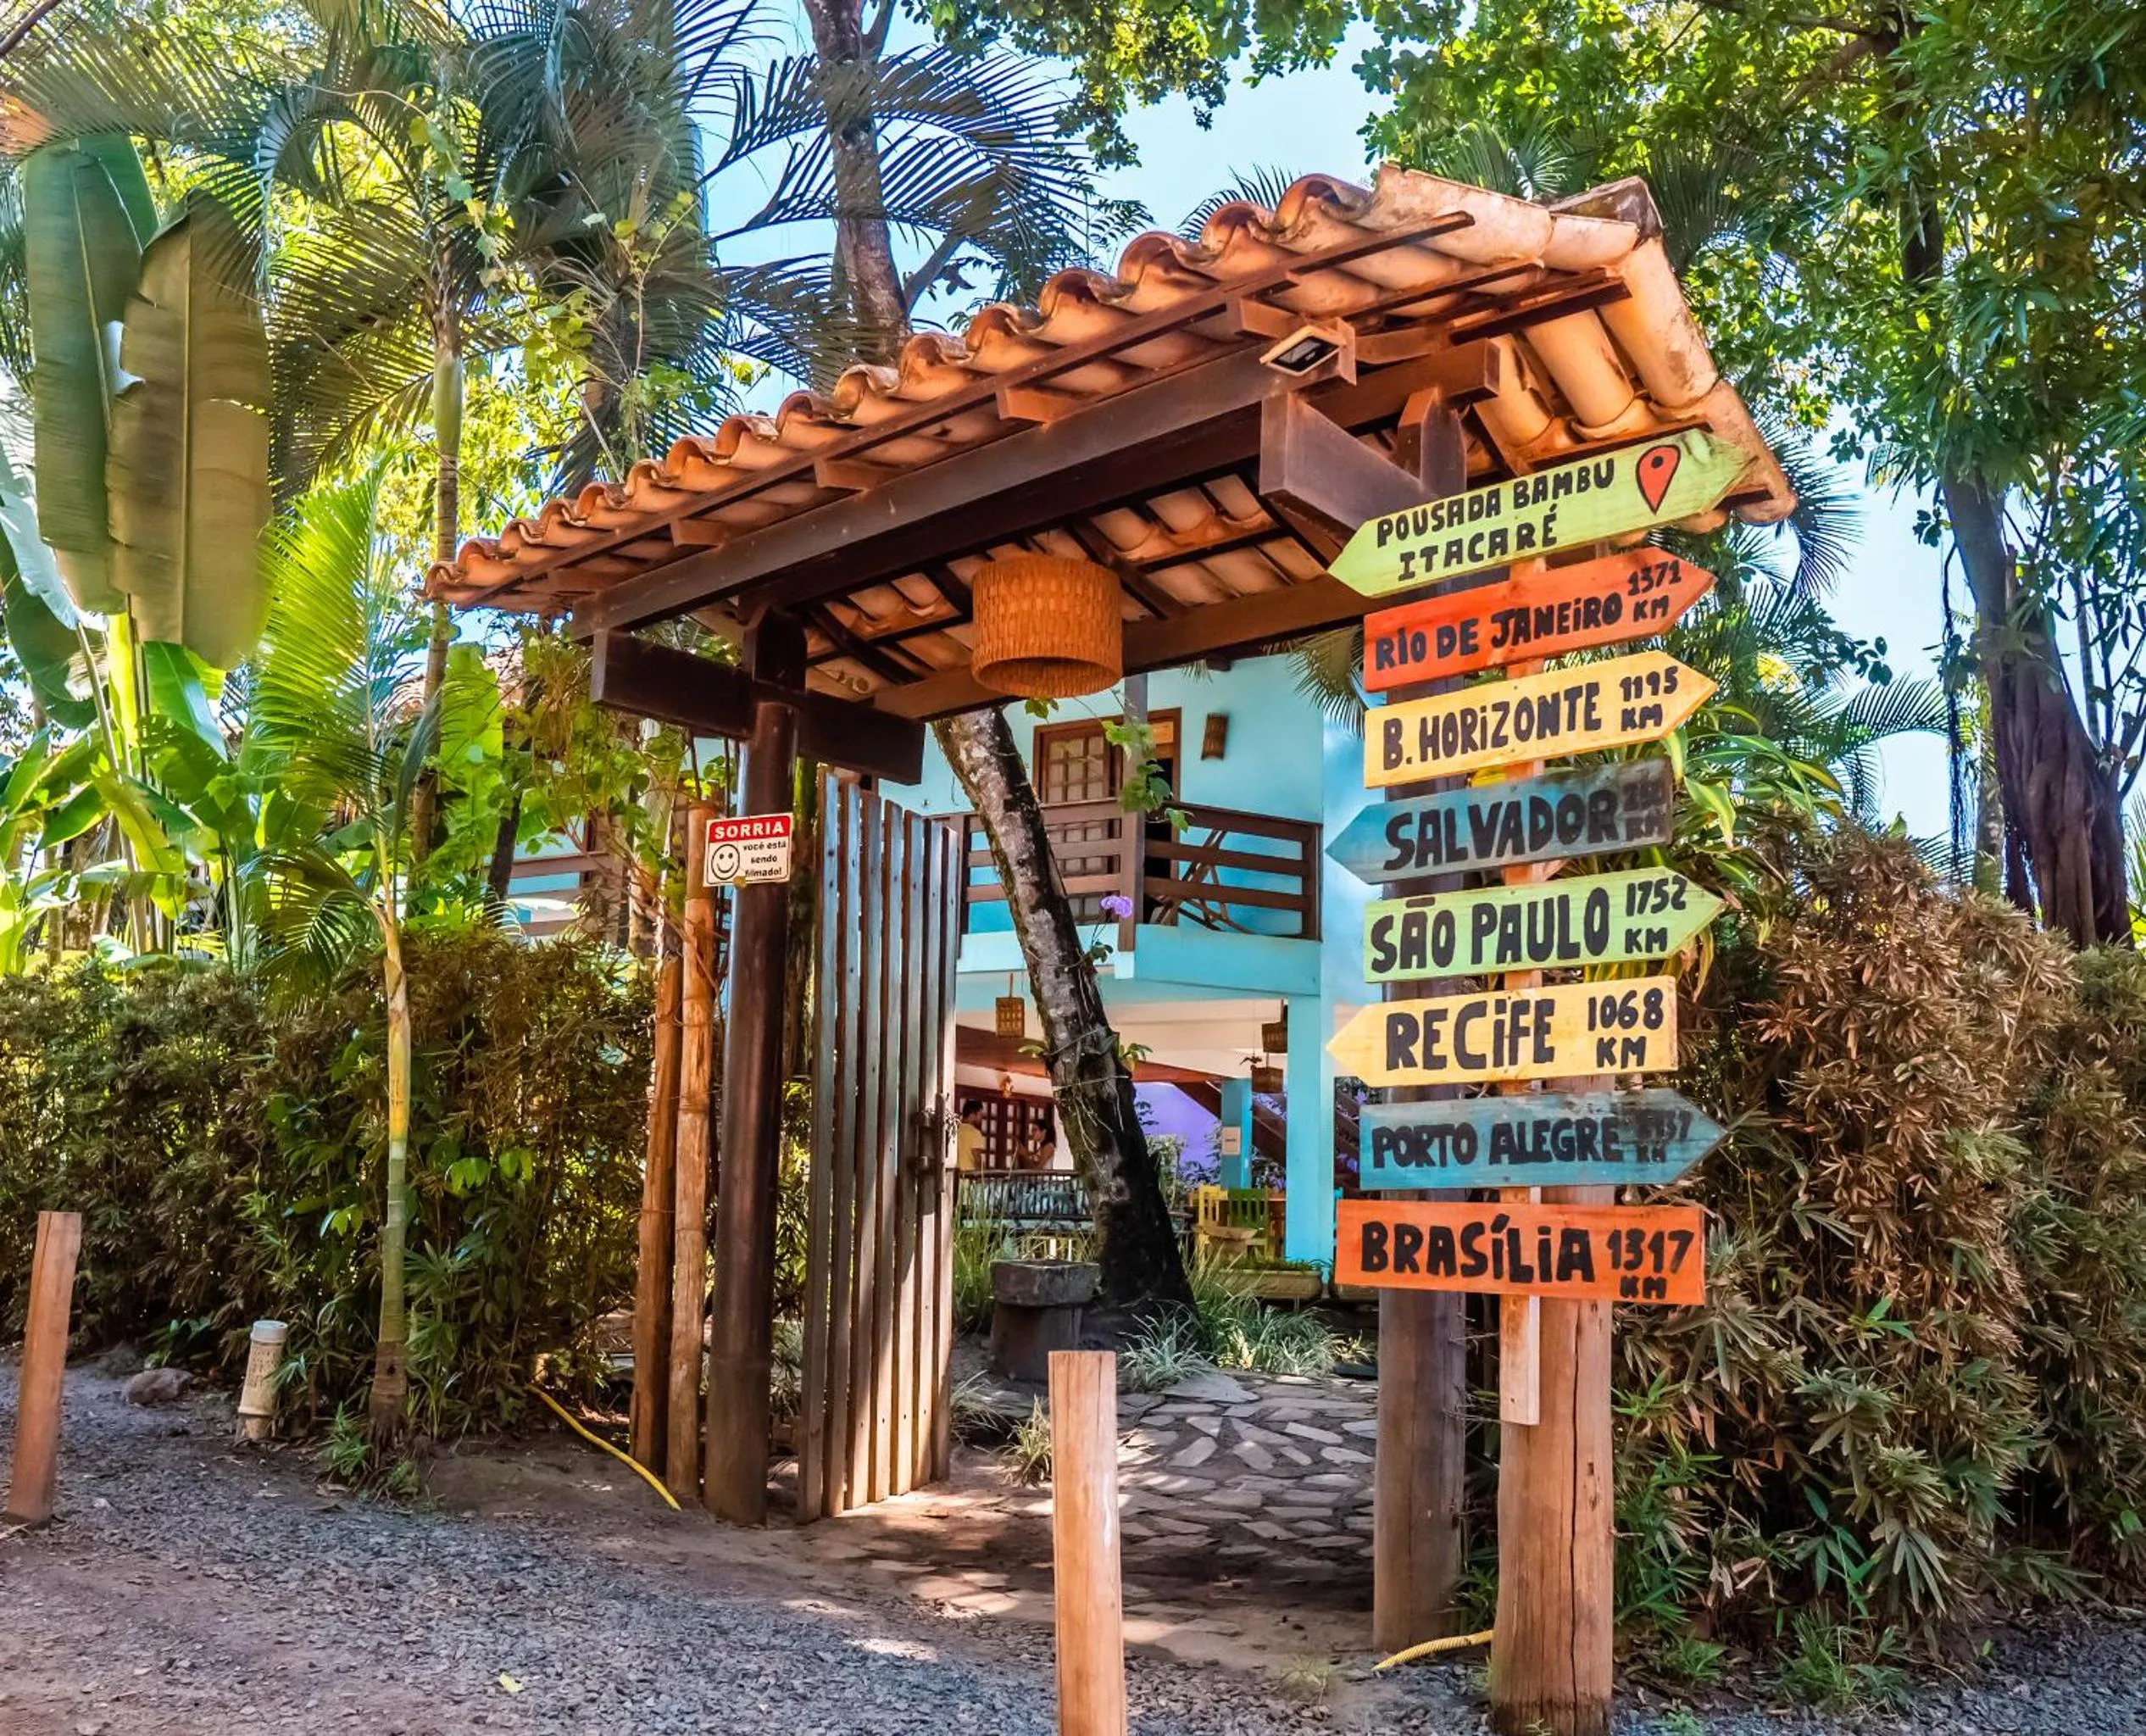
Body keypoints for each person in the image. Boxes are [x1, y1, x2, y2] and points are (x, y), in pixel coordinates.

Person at [955, 1100, 988, 1173]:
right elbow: (977, 1159)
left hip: (955, 1176)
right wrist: (982, 1176)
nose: (981, 1117)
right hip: (969, 1177)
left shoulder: (955, 1129)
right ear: (972, 1115)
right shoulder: (975, 1133)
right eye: (980, 1114)